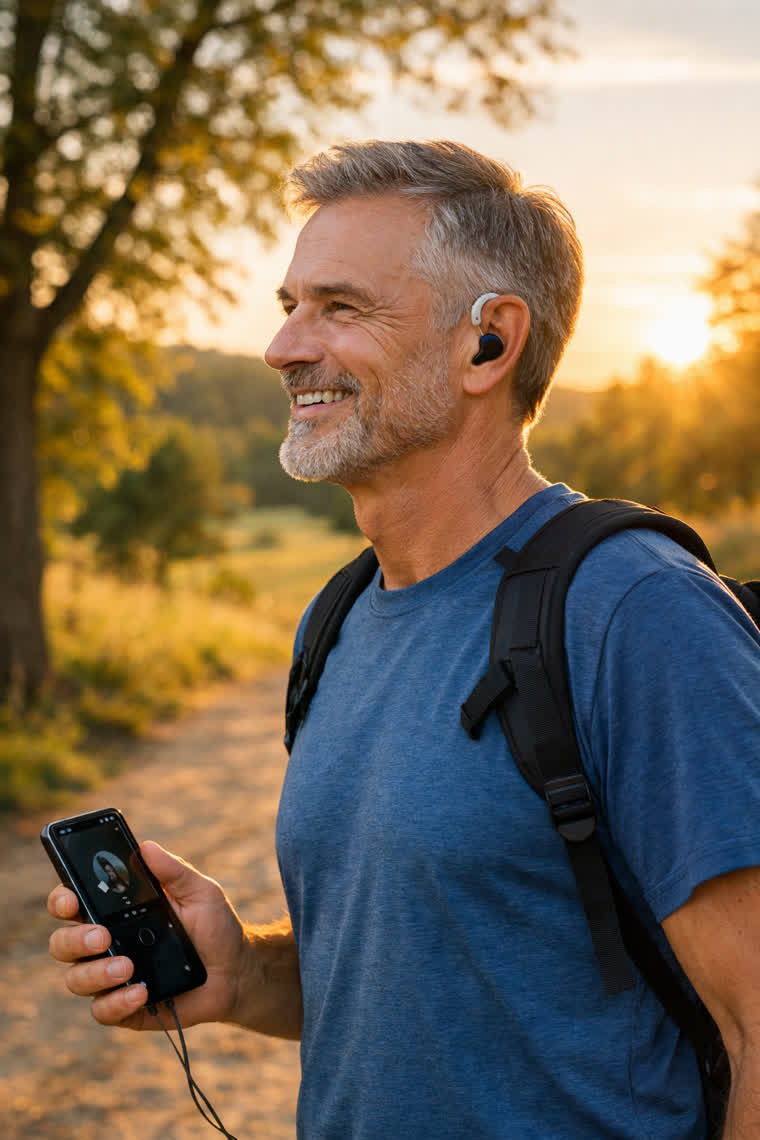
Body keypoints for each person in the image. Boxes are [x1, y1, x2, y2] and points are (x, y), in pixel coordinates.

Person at [47, 140, 760, 1139]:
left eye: (339, 308)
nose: (283, 347)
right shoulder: (337, 618)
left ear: (488, 343)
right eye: (289, 305)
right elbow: (432, 982)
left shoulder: (634, 613)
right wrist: (244, 969)